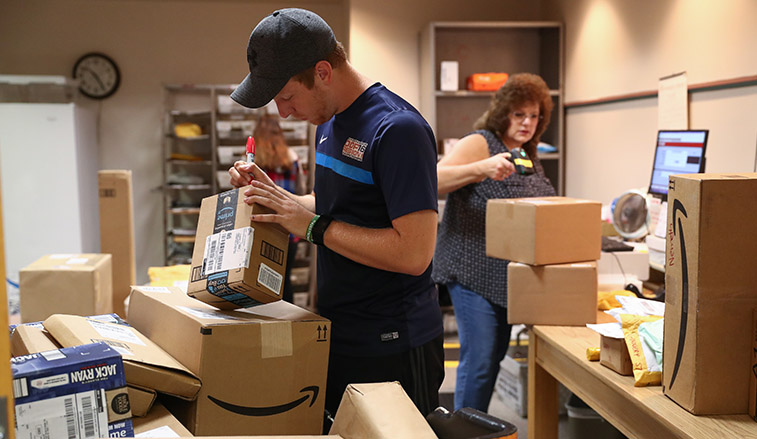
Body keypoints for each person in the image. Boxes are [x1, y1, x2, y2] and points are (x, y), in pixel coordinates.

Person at [226, 8, 444, 419]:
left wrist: (310, 225)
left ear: (323, 71)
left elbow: (415, 254)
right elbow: (335, 208)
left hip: (393, 343)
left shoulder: (397, 130)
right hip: (342, 332)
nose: (283, 113)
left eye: (287, 97)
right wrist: (274, 197)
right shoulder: (329, 123)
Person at [433, 73, 556, 412]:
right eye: (519, 114)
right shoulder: (482, 142)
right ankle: (465, 432)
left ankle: (477, 426)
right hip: (471, 271)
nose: (527, 123)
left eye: (534, 116)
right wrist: (481, 168)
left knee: (495, 355)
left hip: (507, 278)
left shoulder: (528, 153)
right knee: (482, 359)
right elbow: (433, 180)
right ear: (504, 112)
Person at [252, 113, 303, 303]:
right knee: (284, 282)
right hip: (289, 231)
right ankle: (289, 325)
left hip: (262, 231)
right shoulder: (293, 159)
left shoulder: (252, 161)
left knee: (260, 283)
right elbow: (301, 194)